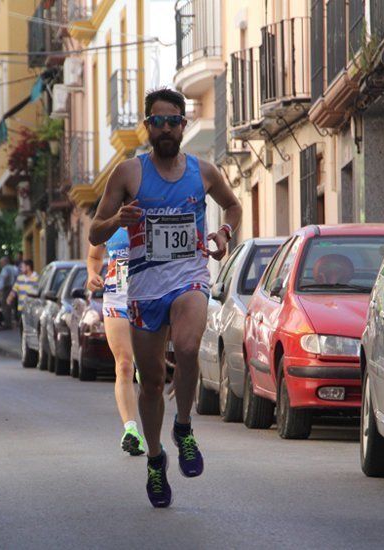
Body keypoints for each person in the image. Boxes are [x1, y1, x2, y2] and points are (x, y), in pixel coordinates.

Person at [89, 88, 242, 508]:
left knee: (190, 346)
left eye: (173, 120)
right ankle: (156, 459)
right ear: (147, 127)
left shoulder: (204, 172)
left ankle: (185, 427)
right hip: (143, 287)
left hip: (189, 277)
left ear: (183, 124)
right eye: (157, 122)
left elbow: (232, 207)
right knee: (152, 380)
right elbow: (94, 233)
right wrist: (117, 218)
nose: (166, 128)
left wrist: (224, 234)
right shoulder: (128, 174)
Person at [87, 231, 145, 456]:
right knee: (123, 365)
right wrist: (92, 273)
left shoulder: (155, 205)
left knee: (149, 370)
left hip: (150, 295)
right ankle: (131, 430)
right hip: (116, 295)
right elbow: (94, 256)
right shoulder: (109, 217)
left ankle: (153, 431)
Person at [8, 259, 38, 327]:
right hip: (21, 308)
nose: (21, 269)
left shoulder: (37, 279)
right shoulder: (20, 278)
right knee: (23, 328)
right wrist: (9, 298)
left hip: (32, 309)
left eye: (22, 267)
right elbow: (14, 290)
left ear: (28, 267)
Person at [0, 255, 18, 330]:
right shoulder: (14, 268)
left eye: (1, 262)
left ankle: (7, 323)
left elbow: (2, 280)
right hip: (15, 288)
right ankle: (15, 321)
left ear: (5, 262)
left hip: (7, 288)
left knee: (5, 306)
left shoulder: (5, 269)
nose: (0, 264)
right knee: (13, 305)